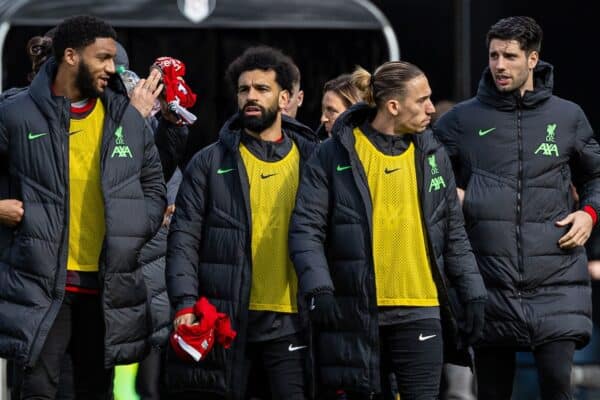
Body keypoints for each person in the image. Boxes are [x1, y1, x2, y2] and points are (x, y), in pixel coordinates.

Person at [288, 61, 487, 399]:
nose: (429, 108)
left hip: (421, 313)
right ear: (393, 107)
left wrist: (474, 293)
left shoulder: (434, 155)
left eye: (430, 99)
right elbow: (306, 228)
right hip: (359, 314)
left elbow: (453, 233)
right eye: (421, 100)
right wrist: (318, 288)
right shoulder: (332, 153)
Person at [433, 16, 600, 400]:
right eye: (493, 55)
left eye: (510, 56)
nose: (499, 65)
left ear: (533, 59)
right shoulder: (462, 119)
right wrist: (455, 195)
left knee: (557, 386)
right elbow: (426, 173)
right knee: (492, 392)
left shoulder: (568, 116)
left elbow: (595, 177)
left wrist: (588, 215)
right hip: (489, 282)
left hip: (557, 276)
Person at [0, 15, 166, 399]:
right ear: (71, 56)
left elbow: (154, 185)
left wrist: (136, 226)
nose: (113, 68)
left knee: (96, 392)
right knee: (38, 390)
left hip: (106, 289)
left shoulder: (126, 119)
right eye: (103, 57)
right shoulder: (15, 113)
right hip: (42, 289)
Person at [165, 45, 317, 400]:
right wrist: (185, 304)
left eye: (262, 89)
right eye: (244, 89)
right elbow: (184, 239)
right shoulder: (208, 162)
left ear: (285, 98)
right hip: (226, 321)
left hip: (291, 323)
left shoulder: (313, 159)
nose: (251, 96)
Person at [317, 73, 362, 139]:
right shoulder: (316, 147)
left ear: (354, 114)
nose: (323, 119)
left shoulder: (376, 147)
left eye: (331, 111)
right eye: (323, 110)